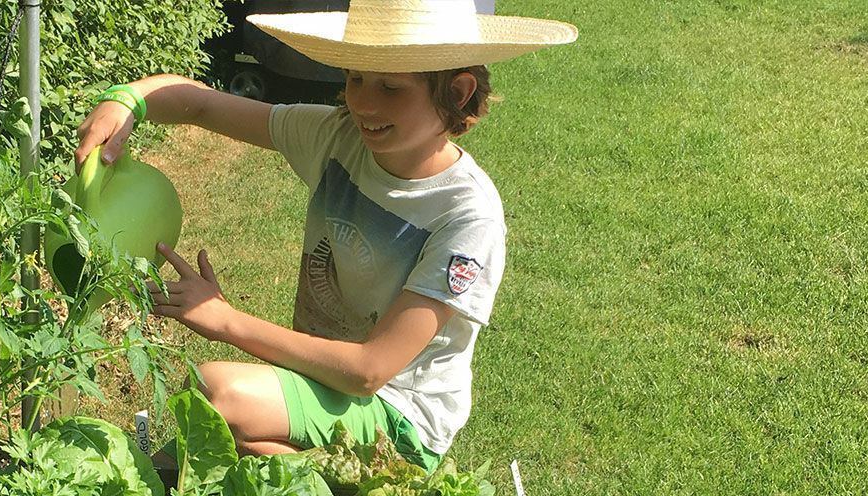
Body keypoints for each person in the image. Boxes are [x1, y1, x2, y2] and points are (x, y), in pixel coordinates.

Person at [74, 0, 576, 471]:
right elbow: (202, 106)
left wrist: (225, 319)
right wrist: (126, 101)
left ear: (458, 92)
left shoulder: (466, 216)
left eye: (390, 87)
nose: (363, 104)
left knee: (217, 394)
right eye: (356, 78)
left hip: (399, 418)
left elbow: (369, 371)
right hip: (323, 382)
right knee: (213, 436)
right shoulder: (339, 140)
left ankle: (383, 491)